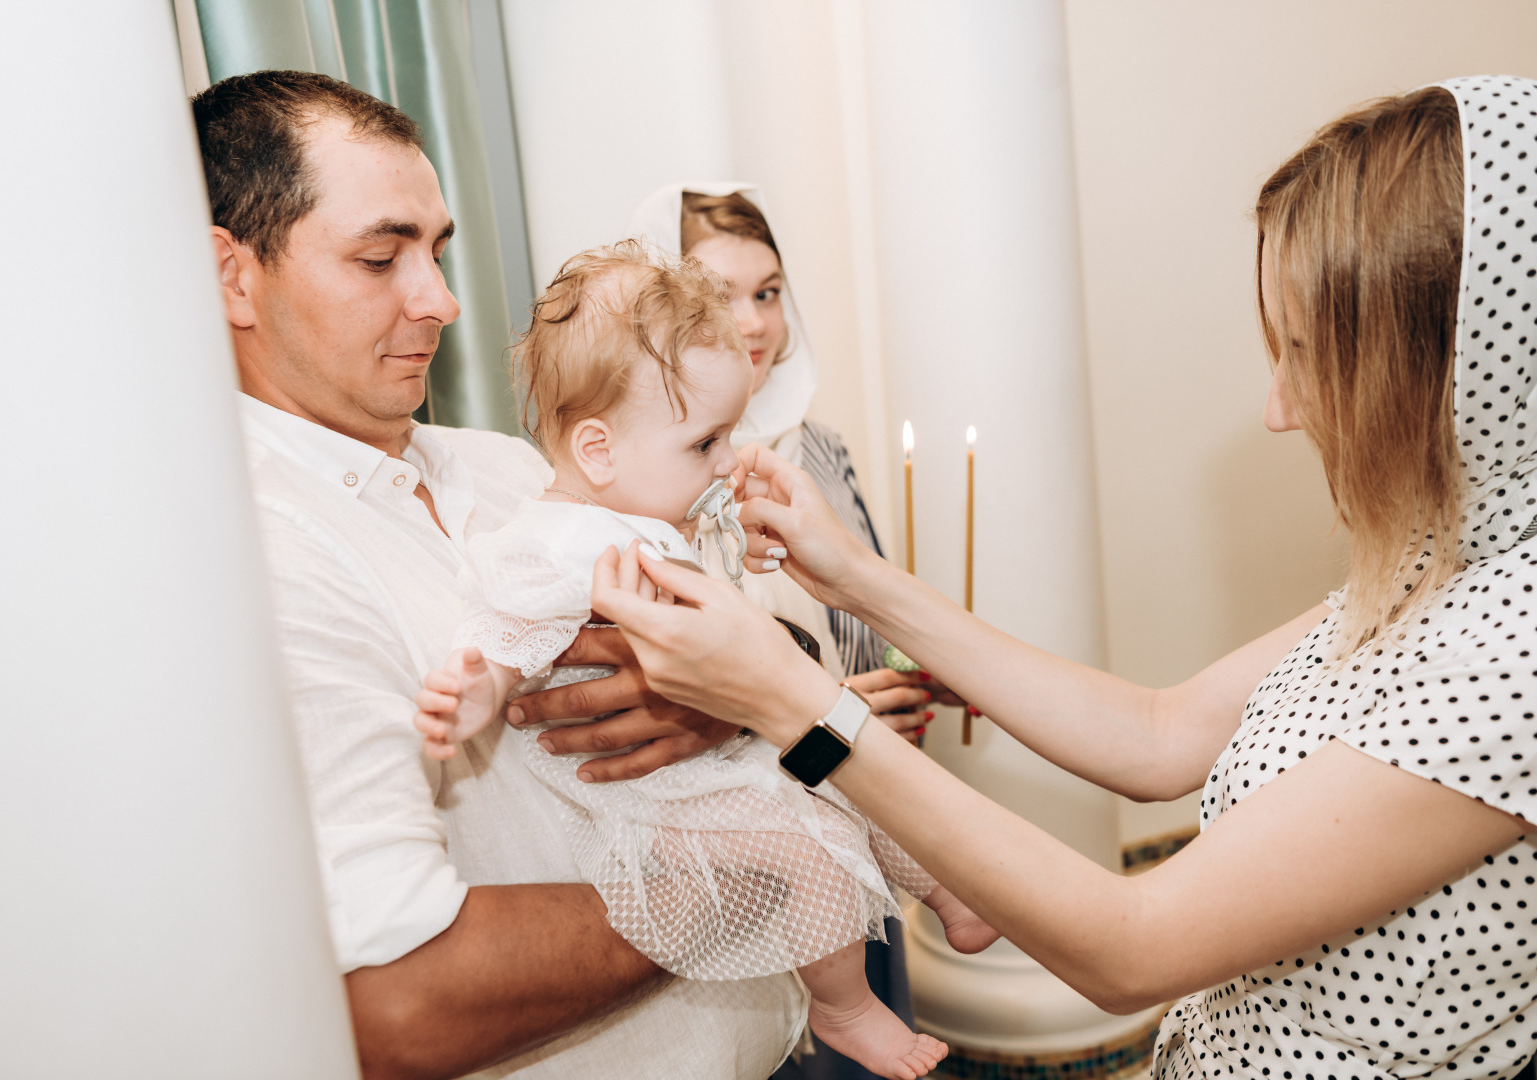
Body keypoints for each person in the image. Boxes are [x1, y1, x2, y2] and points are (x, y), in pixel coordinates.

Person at [584, 77, 1537, 1080]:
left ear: (1457, 365)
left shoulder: (1513, 642)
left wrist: (794, 705)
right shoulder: (1444, 564)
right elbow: (1160, 734)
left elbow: (1136, 944)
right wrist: (858, 580)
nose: (1280, 407)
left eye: (1309, 356)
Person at [192, 70, 805, 1080]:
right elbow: (401, 1003)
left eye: (436, 251)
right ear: (233, 277)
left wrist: (724, 709)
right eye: (382, 256)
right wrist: (753, 872)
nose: (441, 301)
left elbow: (726, 637)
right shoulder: (260, 560)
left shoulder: (508, 465)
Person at [413, 243, 1001, 1080]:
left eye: (731, 434)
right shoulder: (558, 540)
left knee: (853, 772)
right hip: (648, 798)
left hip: (718, 753)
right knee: (807, 849)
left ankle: (950, 896)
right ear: (598, 450)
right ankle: (844, 1006)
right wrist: (478, 691)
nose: (726, 460)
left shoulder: (641, 511)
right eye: (705, 443)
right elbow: (507, 626)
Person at [630, 183, 936, 1080]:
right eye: (718, 295)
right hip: (760, 822)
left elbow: (866, 604)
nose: (753, 322)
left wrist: (906, 678)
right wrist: (828, 703)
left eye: (767, 292)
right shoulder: (645, 473)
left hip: (862, 787)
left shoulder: (817, 447)